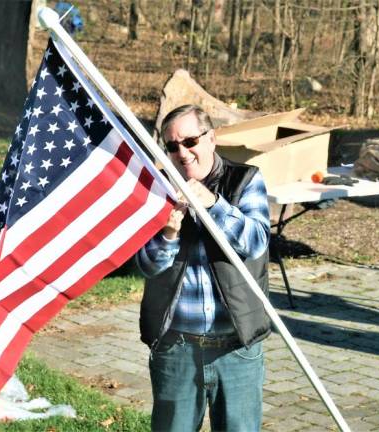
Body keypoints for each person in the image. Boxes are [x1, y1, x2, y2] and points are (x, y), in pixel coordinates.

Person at [136, 104, 271, 431]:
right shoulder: (159, 188)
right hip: (177, 346)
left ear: (211, 138)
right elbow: (147, 265)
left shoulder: (245, 180)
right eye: (171, 146)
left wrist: (213, 205)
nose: (182, 153)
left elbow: (256, 242)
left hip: (235, 345)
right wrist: (169, 233)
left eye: (190, 141)